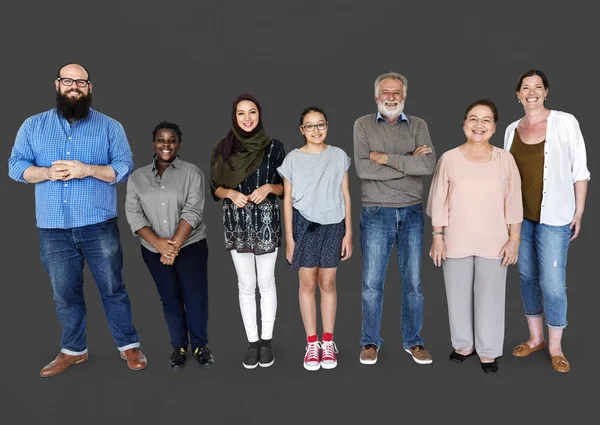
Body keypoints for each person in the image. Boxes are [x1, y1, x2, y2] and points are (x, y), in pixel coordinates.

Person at [7, 63, 146, 377]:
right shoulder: (33, 126)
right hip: (53, 228)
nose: (74, 86)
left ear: (89, 88)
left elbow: (124, 167)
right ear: (57, 85)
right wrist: (44, 173)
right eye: (68, 81)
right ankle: (74, 350)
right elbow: (15, 166)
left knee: (113, 289)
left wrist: (88, 169)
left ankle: (129, 346)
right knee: (65, 293)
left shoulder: (110, 126)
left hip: (98, 224)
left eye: (80, 82)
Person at [427, 99, 523, 374]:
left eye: (486, 120)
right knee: (456, 295)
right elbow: (439, 203)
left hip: (495, 241)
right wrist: (437, 236)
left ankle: (488, 351)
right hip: (455, 240)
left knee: (491, 297)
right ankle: (463, 345)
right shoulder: (449, 158)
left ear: (494, 127)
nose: (478, 125)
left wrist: (514, 239)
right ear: (464, 124)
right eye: (473, 118)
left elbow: (514, 202)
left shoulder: (505, 160)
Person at [505, 69, 590, 373]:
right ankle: (535, 338)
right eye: (525, 87)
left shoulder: (565, 123)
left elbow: (580, 171)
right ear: (518, 94)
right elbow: (506, 176)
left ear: (546, 91)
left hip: (554, 218)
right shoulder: (512, 129)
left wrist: (578, 212)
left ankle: (555, 347)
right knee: (526, 277)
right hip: (520, 220)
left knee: (552, 284)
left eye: (537, 87)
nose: (531, 92)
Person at [353, 71, 436, 365]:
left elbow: (427, 165)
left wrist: (385, 158)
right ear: (376, 97)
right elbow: (363, 170)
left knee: (413, 282)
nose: (391, 97)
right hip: (376, 211)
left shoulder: (419, 125)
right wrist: (408, 161)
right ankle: (370, 341)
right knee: (372, 283)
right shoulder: (362, 125)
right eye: (386, 93)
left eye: (396, 92)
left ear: (404, 96)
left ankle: (414, 341)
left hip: (412, 210)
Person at [125, 121, 214, 370]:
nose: (167, 145)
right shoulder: (137, 178)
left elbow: (193, 210)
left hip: (191, 246)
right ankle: (179, 347)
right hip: (153, 251)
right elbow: (134, 215)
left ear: (179, 144)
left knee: (195, 298)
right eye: (161, 140)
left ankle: (199, 346)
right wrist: (159, 245)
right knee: (170, 299)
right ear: (153, 143)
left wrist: (172, 246)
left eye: (172, 140)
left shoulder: (192, 172)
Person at [210, 93, 285, 369]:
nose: (247, 118)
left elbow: (285, 187)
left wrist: (268, 188)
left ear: (260, 114)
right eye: (241, 113)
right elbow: (214, 188)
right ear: (234, 116)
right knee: (245, 285)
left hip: (266, 221)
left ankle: (267, 341)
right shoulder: (223, 147)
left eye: (252, 112)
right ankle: (252, 342)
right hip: (237, 223)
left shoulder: (275, 147)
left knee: (266, 283)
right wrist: (229, 192)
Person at [277, 106, 352, 371]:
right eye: (310, 126)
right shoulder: (293, 160)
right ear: (302, 130)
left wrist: (348, 232)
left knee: (328, 282)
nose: (316, 130)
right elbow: (287, 200)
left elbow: (346, 194)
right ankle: (312, 343)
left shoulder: (339, 156)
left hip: (333, 224)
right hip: (303, 225)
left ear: (327, 126)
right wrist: (290, 239)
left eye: (320, 125)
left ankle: (328, 341)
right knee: (307, 283)